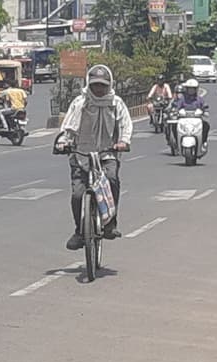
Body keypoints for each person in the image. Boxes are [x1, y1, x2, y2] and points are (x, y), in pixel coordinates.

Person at [55, 65, 133, 251]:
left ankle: (110, 223)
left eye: (102, 85)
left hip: (107, 153)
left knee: (112, 179)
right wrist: (64, 142)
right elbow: (68, 127)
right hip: (81, 153)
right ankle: (79, 231)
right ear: (89, 85)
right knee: (77, 195)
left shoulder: (116, 103)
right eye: (95, 85)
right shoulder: (80, 103)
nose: (99, 89)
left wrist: (123, 141)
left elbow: (126, 124)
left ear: (109, 85)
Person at [173, 78, 209, 151]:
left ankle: (203, 143)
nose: (191, 90)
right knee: (174, 126)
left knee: (206, 126)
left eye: (192, 89)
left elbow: (204, 106)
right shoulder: (183, 98)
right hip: (184, 119)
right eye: (189, 89)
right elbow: (178, 106)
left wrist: (205, 111)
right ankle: (177, 143)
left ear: (196, 89)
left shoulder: (199, 99)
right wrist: (175, 111)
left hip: (196, 120)